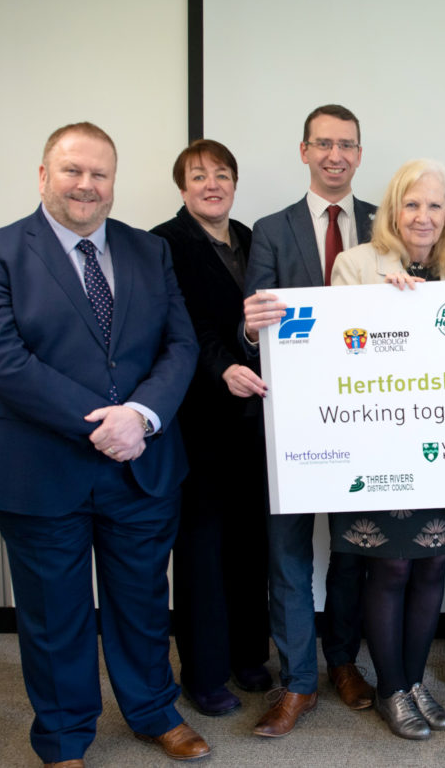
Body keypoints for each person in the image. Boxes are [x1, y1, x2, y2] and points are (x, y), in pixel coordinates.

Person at [0, 122, 208, 765]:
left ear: (114, 183)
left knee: (143, 605)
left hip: (141, 468)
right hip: (41, 472)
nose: (86, 185)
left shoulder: (149, 252)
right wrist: (106, 422)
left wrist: (143, 417)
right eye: (72, 170)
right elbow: (3, 362)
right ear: (44, 176)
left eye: (100, 173)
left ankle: (153, 710)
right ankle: (66, 738)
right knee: (54, 617)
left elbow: (180, 345)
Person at [328, 158, 445, 740]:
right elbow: (336, 356)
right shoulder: (356, 265)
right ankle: (392, 687)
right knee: (391, 566)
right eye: (413, 203)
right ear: (393, 210)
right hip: (379, 448)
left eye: (435, 205)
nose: (424, 216)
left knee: (433, 564)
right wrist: (381, 307)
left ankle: (416, 680)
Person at [241, 104, 376, 737]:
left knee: (355, 553)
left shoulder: (387, 222)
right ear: (304, 151)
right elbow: (253, 329)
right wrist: (249, 326)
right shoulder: (270, 229)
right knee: (289, 556)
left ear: (358, 153)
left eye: (346, 144)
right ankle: (298, 683)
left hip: (370, 421)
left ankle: (343, 663)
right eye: (323, 144)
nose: (334, 155)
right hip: (291, 423)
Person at [150, 139, 272, 717]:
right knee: (201, 549)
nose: (211, 184)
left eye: (222, 175)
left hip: (255, 420)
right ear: (182, 188)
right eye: (198, 176)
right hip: (198, 418)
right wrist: (223, 365)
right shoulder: (163, 244)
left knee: (250, 543)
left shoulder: (250, 237)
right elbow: (179, 324)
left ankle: (248, 656)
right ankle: (202, 673)